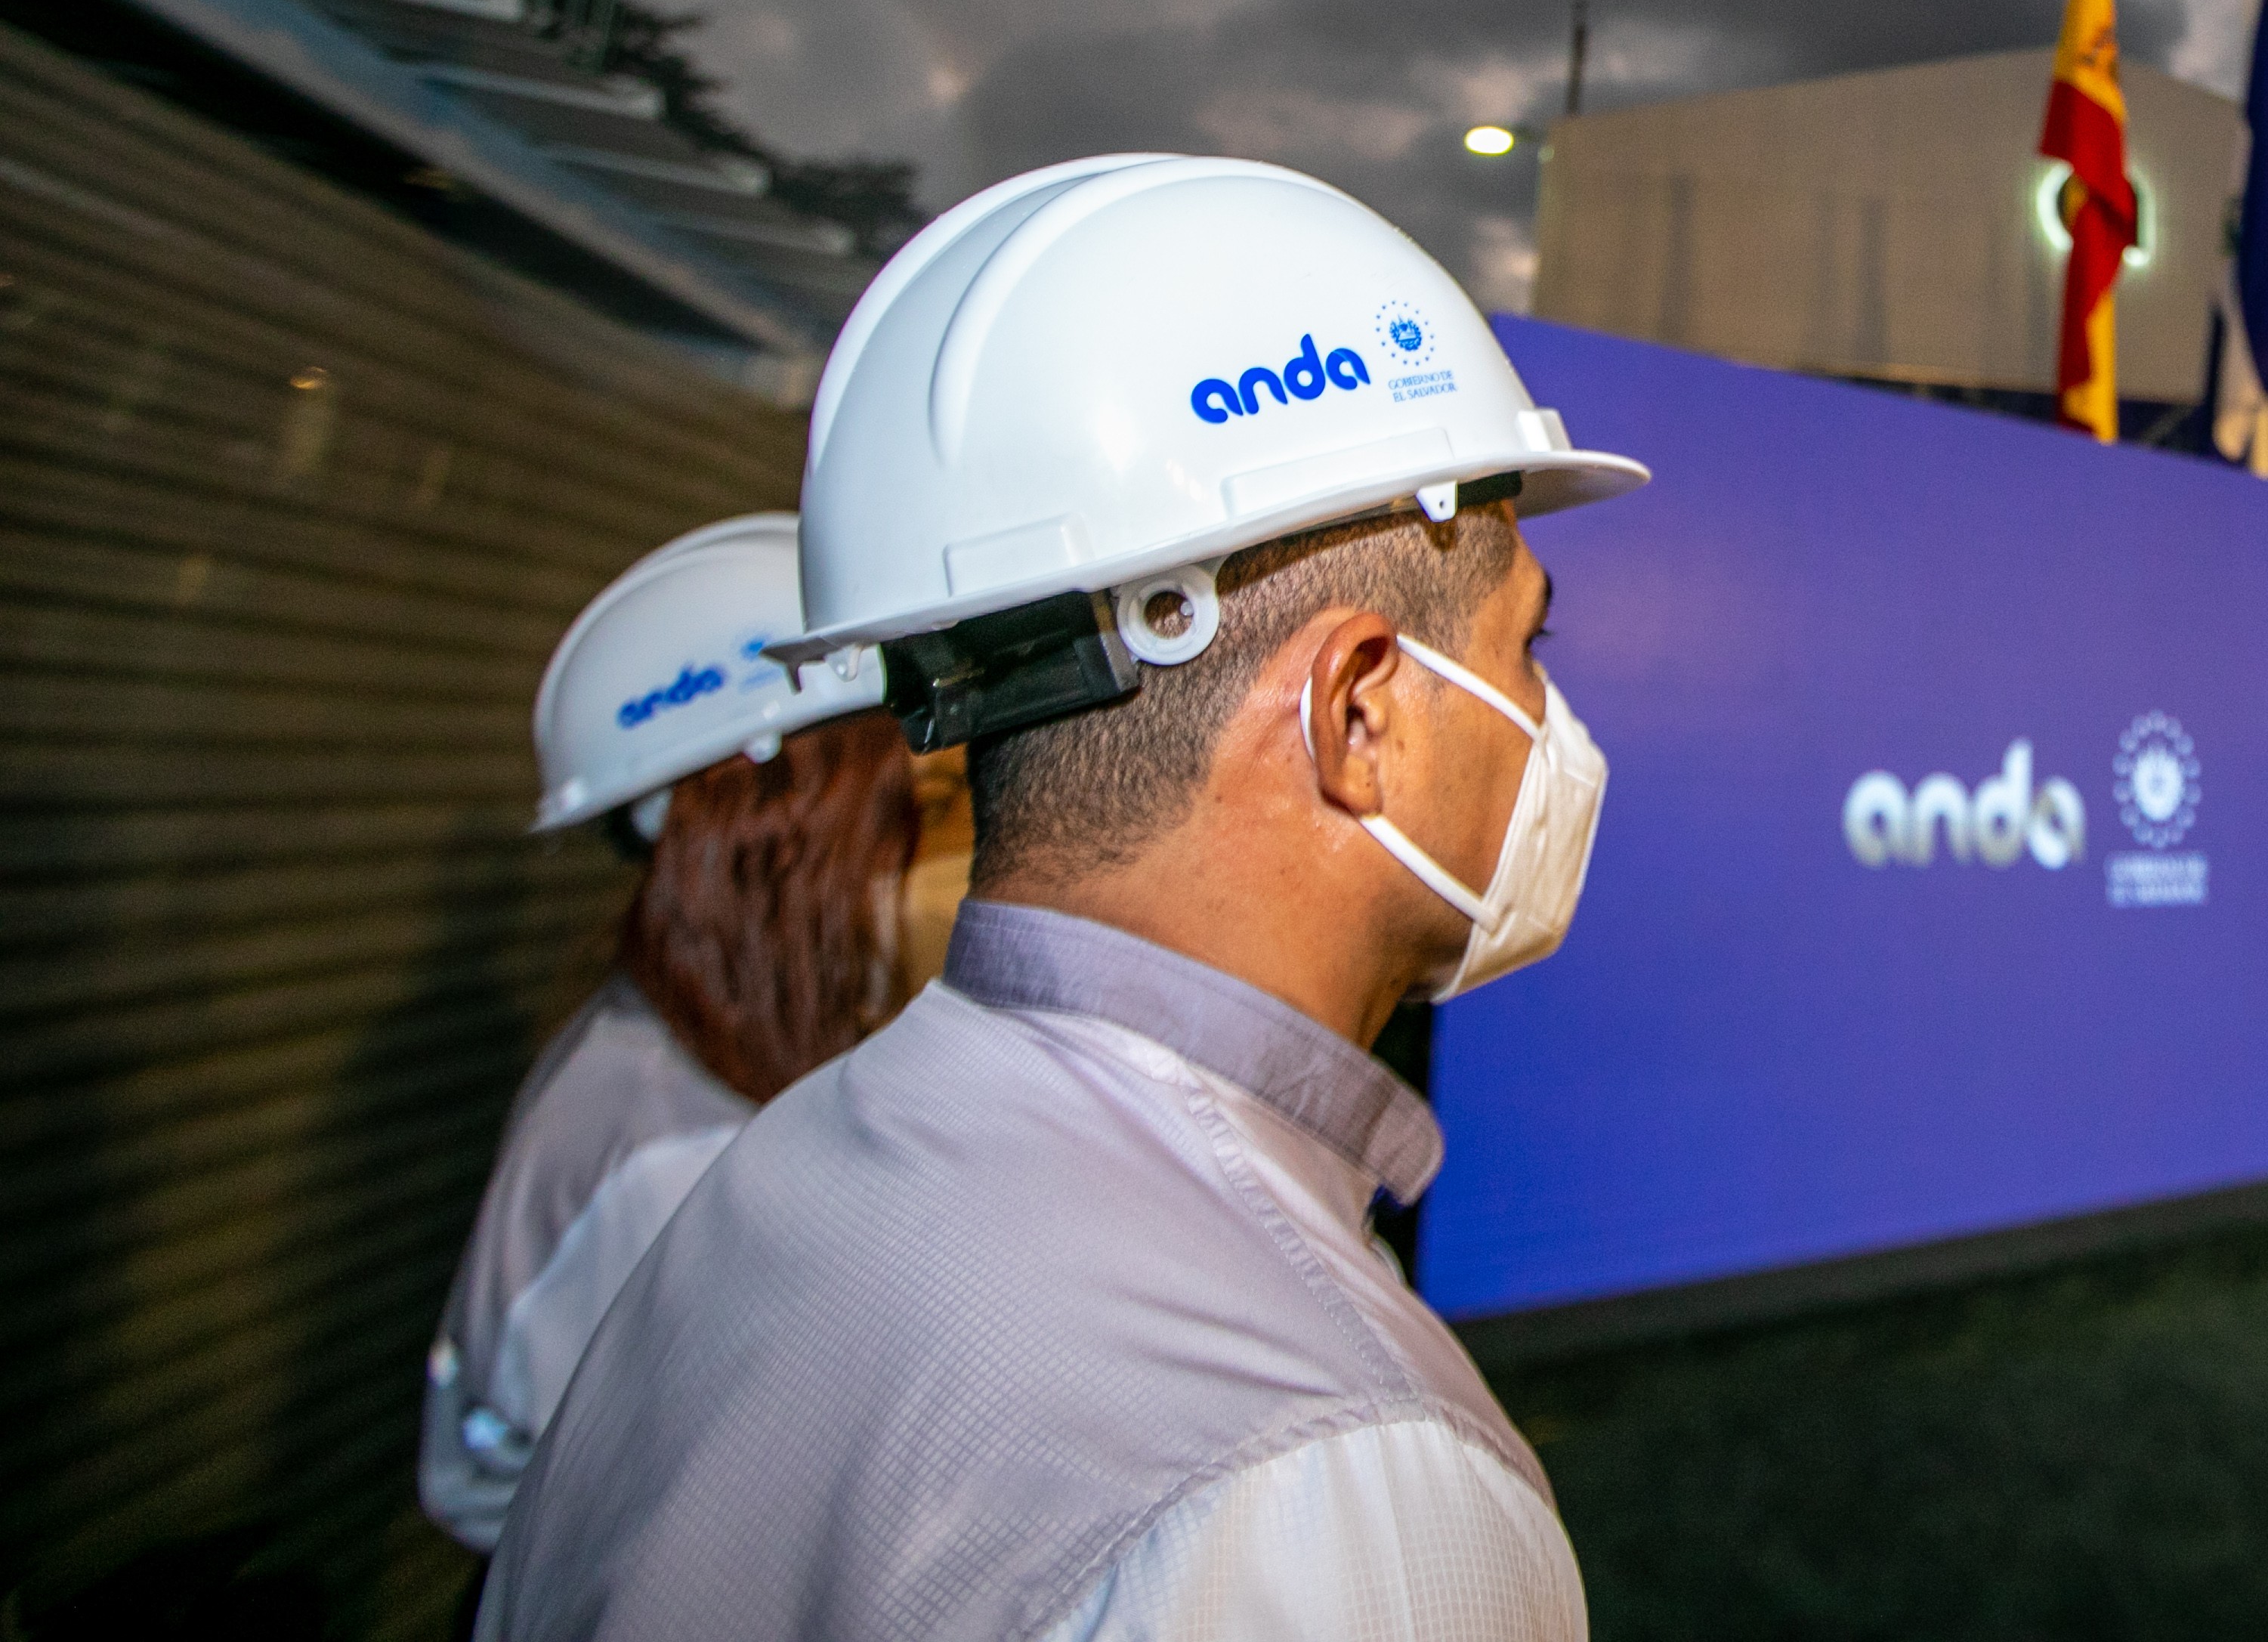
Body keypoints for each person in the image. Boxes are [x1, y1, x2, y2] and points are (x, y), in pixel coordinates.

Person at [478, 156, 1648, 1640]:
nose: (1548, 717)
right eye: (1525, 644)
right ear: (1360, 712)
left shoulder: (766, 1178)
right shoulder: (1340, 1470)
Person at [421, 515, 918, 1563]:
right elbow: (486, 1481)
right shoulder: (663, 1138)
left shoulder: (716, 1043)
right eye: (902, 820)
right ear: (767, 836)